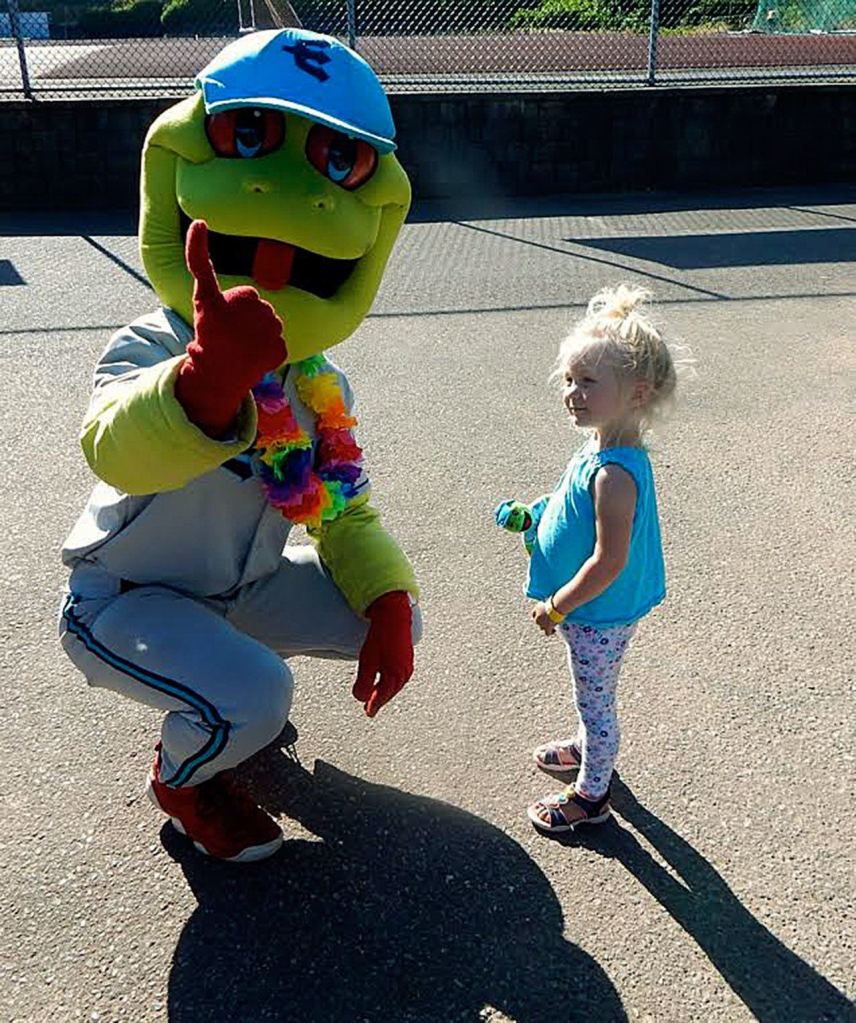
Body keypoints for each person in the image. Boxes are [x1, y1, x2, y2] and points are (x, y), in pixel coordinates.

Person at [58, 29, 420, 863]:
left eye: (339, 161)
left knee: (383, 611)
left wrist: (388, 600)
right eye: (246, 135)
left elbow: (340, 509)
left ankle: (229, 698)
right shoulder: (150, 342)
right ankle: (187, 776)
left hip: (241, 590)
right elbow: (115, 450)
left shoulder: (316, 384)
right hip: (123, 601)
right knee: (260, 691)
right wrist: (206, 381)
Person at [495, 284, 690, 833]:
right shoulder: (600, 446)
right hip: (595, 610)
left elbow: (608, 561)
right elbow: (571, 507)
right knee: (592, 690)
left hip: (597, 611)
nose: (573, 392)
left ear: (636, 392)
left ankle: (593, 793)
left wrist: (556, 606)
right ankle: (587, 750)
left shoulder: (614, 474)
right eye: (569, 380)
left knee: (596, 702)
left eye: (588, 382)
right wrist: (537, 514)